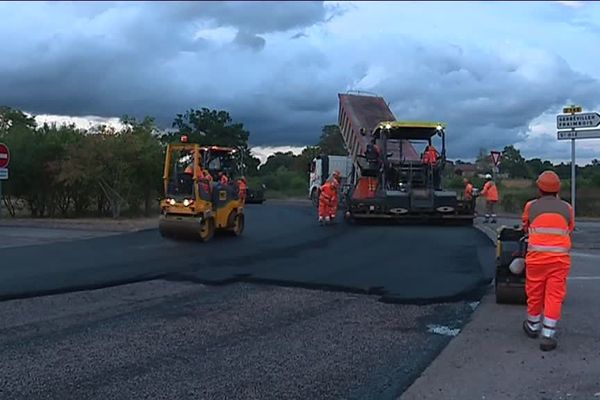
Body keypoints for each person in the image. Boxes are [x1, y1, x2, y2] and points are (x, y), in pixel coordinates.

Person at [521, 170, 574, 351]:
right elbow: (570, 228)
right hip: (559, 260)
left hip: (536, 258)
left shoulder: (531, 206)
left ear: (539, 188)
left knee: (534, 292)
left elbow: (525, 227)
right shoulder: (567, 208)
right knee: (554, 295)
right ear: (557, 189)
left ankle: (532, 325)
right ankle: (548, 334)